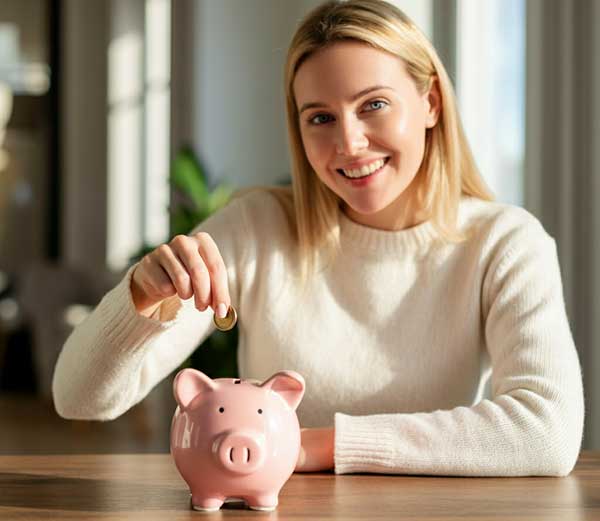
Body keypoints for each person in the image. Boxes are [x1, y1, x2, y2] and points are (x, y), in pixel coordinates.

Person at [52, 0, 584, 476]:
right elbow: (78, 400)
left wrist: (309, 447)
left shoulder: (505, 243)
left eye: (374, 104)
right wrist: (139, 299)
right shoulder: (254, 229)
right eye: (321, 117)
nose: (348, 143)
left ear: (431, 104)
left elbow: (548, 431)